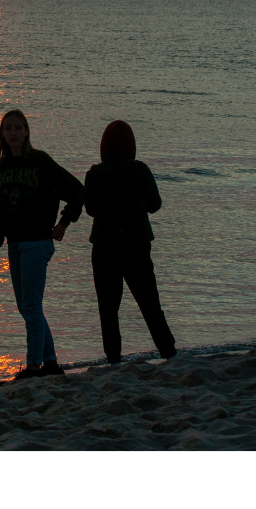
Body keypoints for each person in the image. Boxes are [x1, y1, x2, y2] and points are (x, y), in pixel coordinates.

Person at [0, 109, 84, 380]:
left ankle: (33, 366)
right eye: (8, 129)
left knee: (30, 305)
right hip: (14, 244)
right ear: (2, 134)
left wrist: (63, 223)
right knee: (28, 306)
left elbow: (76, 191)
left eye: (18, 128)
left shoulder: (40, 162)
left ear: (27, 131)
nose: (13, 133)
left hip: (37, 242)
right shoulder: (1, 167)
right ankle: (50, 362)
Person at [84, 120, 176, 363]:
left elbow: (91, 209)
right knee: (149, 302)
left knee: (108, 307)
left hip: (105, 246)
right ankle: (168, 350)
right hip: (137, 244)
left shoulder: (95, 173)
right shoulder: (141, 170)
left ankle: (114, 357)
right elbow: (155, 205)